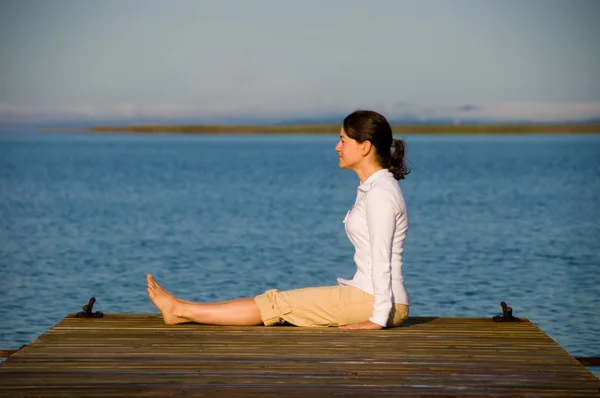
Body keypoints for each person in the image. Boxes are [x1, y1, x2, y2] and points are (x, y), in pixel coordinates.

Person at [147, 109, 410, 330]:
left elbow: (382, 260)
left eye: (343, 140)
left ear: (364, 146)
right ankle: (182, 309)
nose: (336, 147)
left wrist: (377, 319)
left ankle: (180, 310)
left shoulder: (380, 194)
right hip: (369, 296)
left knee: (276, 304)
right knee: (276, 301)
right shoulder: (373, 189)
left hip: (376, 301)